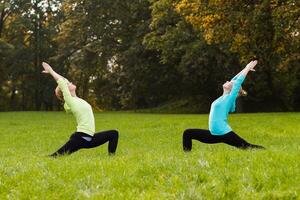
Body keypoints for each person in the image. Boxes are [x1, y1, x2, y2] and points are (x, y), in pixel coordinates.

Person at [183, 60, 264, 151]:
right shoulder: (223, 97)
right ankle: (186, 156)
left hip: (223, 132)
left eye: (231, 83)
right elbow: (235, 79)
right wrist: (246, 68)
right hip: (214, 134)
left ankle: (265, 150)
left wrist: (248, 68)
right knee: (188, 133)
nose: (228, 81)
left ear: (233, 89)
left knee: (247, 147)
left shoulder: (229, 98)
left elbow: (238, 82)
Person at [42, 62, 119, 156]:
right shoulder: (70, 100)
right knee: (55, 156)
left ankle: (112, 158)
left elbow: (64, 80)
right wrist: (51, 71)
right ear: (65, 90)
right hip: (81, 137)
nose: (69, 82)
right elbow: (62, 81)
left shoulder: (77, 100)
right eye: (68, 84)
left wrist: (52, 72)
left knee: (114, 134)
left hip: (89, 137)